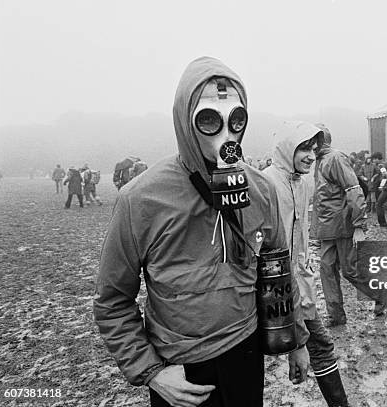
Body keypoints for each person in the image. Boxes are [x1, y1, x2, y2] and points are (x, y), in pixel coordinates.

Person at [93, 57, 310, 407]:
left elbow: (278, 273)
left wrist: (296, 341)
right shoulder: (141, 198)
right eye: (209, 119)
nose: (227, 134)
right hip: (179, 366)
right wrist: (151, 371)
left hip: (245, 351)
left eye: (236, 120)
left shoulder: (260, 190)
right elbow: (112, 299)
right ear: (185, 119)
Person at [264, 121, 350, 407]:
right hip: (267, 286)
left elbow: (299, 241)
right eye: (303, 148)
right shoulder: (265, 183)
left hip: (297, 281)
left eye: (313, 149)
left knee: (321, 343)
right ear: (287, 149)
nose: (311, 155)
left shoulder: (303, 183)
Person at [311, 125, 387, 326]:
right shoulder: (318, 161)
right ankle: (336, 315)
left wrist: (359, 226)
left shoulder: (335, 158)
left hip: (343, 226)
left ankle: (379, 293)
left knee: (350, 271)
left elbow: (354, 190)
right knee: (326, 269)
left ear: (318, 140)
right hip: (326, 228)